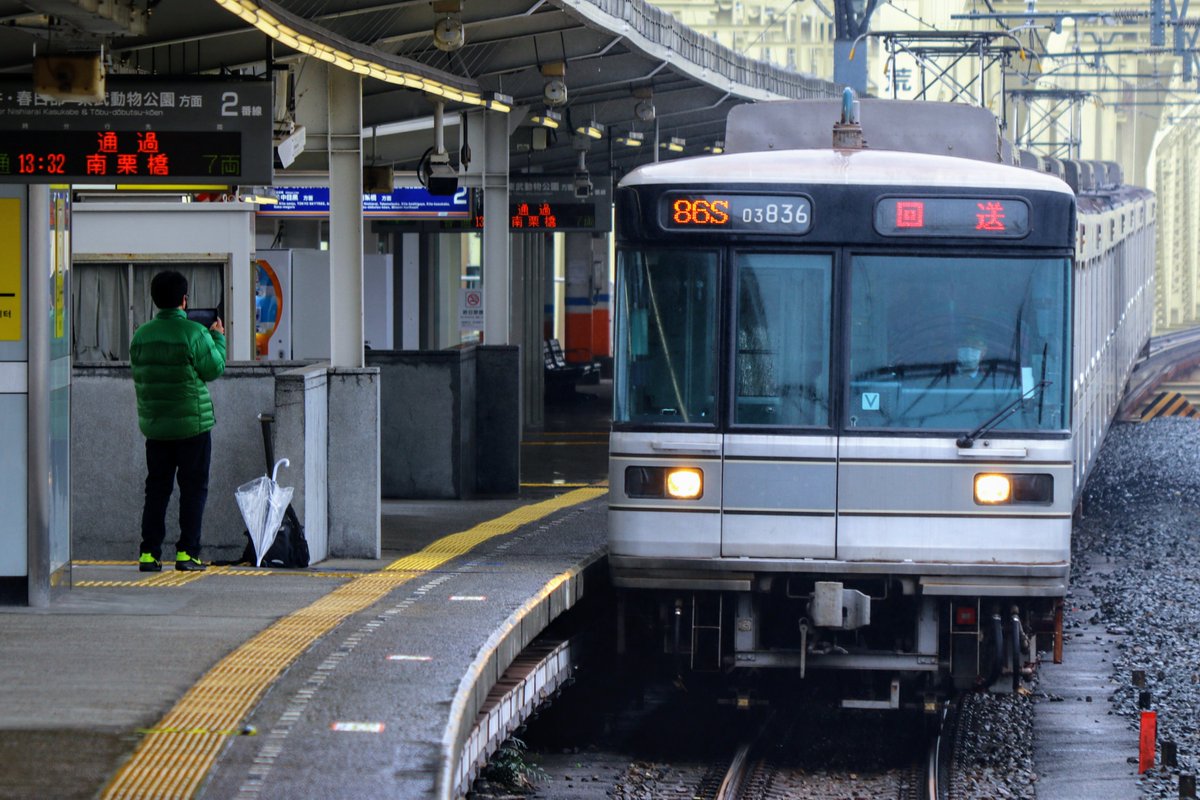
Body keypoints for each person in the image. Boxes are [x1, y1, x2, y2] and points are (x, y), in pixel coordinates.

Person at [130, 271, 226, 572]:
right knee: (193, 489)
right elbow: (213, 369)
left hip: (157, 427)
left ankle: (149, 554)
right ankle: (187, 554)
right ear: (184, 300)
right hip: (192, 427)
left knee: (157, 489)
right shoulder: (194, 333)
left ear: (155, 300)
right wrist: (218, 338)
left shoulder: (141, 335)